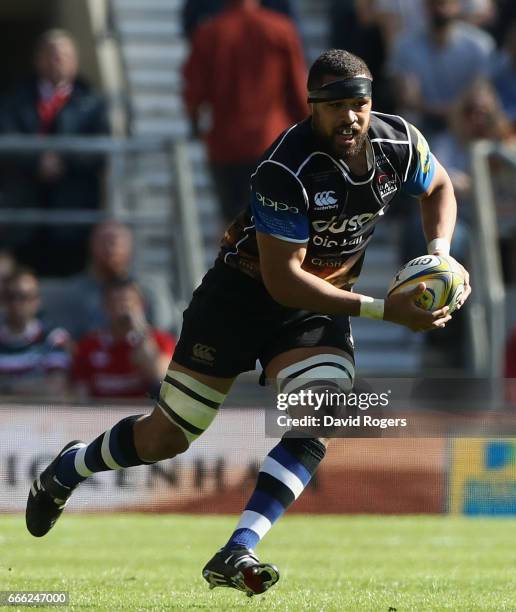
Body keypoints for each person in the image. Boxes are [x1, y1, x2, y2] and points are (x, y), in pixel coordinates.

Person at [26, 49, 471, 597]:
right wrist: (385, 311)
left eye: (358, 104)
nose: (349, 117)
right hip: (239, 299)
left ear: (371, 103)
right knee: (168, 437)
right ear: (311, 108)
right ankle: (69, 469)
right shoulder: (286, 168)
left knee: (321, 413)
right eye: (334, 106)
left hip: (314, 306)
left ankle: (240, 547)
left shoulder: (398, 143)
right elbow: (282, 280)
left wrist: (440, 253)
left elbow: (441, 187)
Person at [182, 0, 308, 223]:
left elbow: (193, 92)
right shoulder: (280, 29)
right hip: (273, 141)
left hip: (225, 145)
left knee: (232, 221)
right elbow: (298, 91)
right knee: (276, 218)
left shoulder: (210, 33)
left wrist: (194, 124)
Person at [0, 29, 110, 277]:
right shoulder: (14, 100)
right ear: (38, 59)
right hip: (24, 215)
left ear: (75, 61)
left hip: (72, 213)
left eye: (64, 55)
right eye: (51, 54)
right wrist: (36, 160)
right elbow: (7, 141)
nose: (57, 60)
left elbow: (100, 151)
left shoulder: (92, 103)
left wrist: (64, 160)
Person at [42, 220, 178, 339]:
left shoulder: (151, 288)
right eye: (104, 241)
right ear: (91, 245)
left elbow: (164, 331)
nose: (110, 248)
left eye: (115, 241)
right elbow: (65, 339)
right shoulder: (73, 293)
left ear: (130, 246)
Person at [388, 0, 495, 135]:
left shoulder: (480, 45)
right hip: (421, 127)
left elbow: (479, 91)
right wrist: (445, 112)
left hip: (465, 128)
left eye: (444, 2)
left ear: (457, 5)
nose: (439, 8)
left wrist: (453, 112)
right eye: (433, 3)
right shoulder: (405, 45)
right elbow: (409, 99)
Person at [73, 279, 176, 400]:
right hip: (100, 415)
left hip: (143, 415)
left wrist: (142, 334)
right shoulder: (89, 345)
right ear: (105, 307)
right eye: (116, 302)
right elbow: (80, 393)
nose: (123, 308)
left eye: (129, 302)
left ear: (141, 306)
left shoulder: (160, 340)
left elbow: (161, 377)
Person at [0, 268, 70, 397]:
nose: (17, 303)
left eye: (24, 296)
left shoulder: (54, 338)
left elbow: (55, 387)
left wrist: (6, 387)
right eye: (11, 296)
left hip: (40, 415)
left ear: (37, 301)